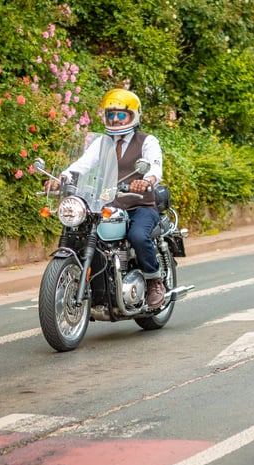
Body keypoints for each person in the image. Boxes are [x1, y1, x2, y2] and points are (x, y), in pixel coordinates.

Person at [45, 88, 167, 308]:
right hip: (108, 205)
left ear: (134, 115)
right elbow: (83, 164)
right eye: (111, 114)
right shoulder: (102, 143)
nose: (116, 119)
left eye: (121, 115)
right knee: (80, 235)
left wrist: (147, 180)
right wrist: (61, 178)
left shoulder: (147, 141)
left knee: (138, 236)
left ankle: (153, 281)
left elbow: (155, 166)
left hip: (139, 205)